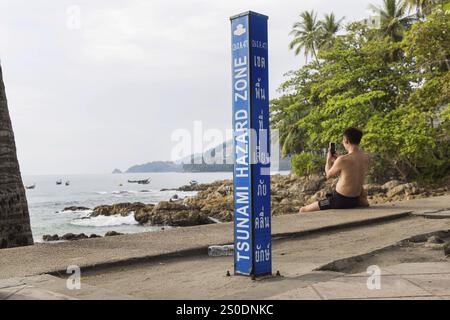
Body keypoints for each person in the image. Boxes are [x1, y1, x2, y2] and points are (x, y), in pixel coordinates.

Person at [299, 127, 370, 213]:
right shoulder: (366, 158)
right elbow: (350, 173)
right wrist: (338, 160)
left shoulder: (343, 160)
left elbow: (328, 175)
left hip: (339, 200)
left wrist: (328, 160)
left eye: (343, 140)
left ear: (346, 140)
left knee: (303, 210)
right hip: (354, 200)